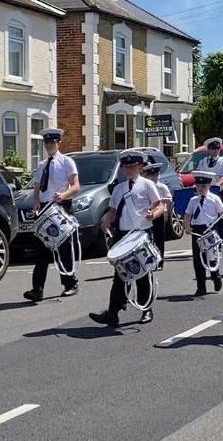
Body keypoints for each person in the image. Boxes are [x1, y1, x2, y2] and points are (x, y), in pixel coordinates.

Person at [89, 150, 164, 327]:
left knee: (143, 273)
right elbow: (113, 211)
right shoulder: (119, 189)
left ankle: (146, 309)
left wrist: (153, 214)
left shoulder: (147, 185)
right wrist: (106, 221)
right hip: (123, 235)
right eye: (125, 167)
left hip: (141, 233)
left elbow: (159, 205)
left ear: (140, 167)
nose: (128, 170)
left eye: (131, 166)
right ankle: (113, 313)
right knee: (120, 275)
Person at [23, 128, 80, 302]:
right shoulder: (41, 165)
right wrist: (36, 204)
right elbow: (37, 188)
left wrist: (63, 195)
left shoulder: (66, 162)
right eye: (47, 143)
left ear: (58, 143)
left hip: (61, 206)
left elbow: (76, 186)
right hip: (46, 209)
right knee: (41, 251)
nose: (49, 146)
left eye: (52, 143)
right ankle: (37, 289)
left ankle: (70, 283)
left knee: (64, 250)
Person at [183, 170, 223, 295]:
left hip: (210, 229)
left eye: (203, 186)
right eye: (198, 186)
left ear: (208, 186)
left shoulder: (214, 199)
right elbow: (187, 215)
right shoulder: (193, 200)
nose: (200, 188)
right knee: (198, 259)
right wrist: (187, 226)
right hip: (197, 230)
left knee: (211, 256)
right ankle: (201, 286)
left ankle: (215, 276)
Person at [142, 159, 172, 270]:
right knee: (149, 239)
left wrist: (159, 200)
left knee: (159, 238)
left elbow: (169, 199)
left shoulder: (161, 187)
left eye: (156, 174)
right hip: (148, 215)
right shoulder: (145, 186)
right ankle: (151, 260)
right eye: (152, 175)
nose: (154, 177)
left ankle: (160, 260)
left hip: (159, 215)